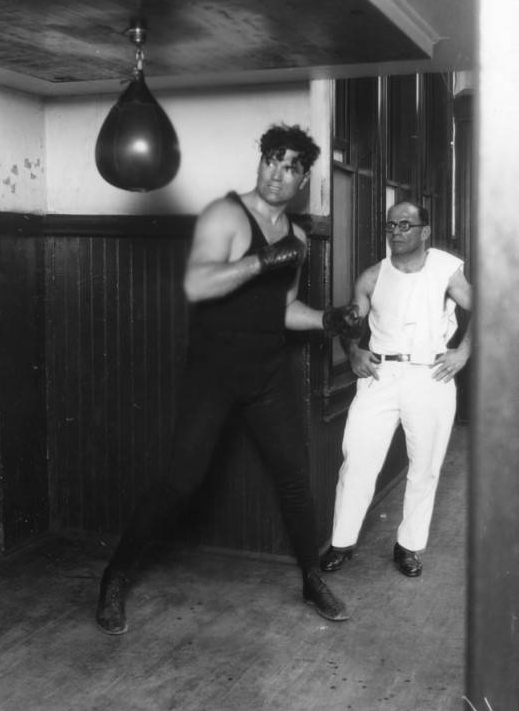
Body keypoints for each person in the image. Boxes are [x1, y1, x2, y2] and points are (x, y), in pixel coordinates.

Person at [96, 123, 361, 635]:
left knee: (295, 479)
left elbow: (284, 309)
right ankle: (115, 575)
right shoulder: (226, 214)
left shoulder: (300, 239)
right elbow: (198, 282)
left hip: (267, 373)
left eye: (290, 168)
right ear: (260, 161)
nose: (277, 175)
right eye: (272, 161)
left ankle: (312, 579)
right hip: (213, 373)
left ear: (303, 179)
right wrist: (260, 259)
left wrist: (329, 319)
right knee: (180, 482)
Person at [320, 200, 473, 578]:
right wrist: (353, 350)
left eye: (406, 225)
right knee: (357, 459)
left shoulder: (445, 268)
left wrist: (464, 353)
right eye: (391, 226)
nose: (397, 232)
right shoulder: (372, 276)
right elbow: (351, 322)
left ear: (424, 232)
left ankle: (408, 546)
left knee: (425, 467)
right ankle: (341, 542)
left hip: (431, 374)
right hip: (380, 376)